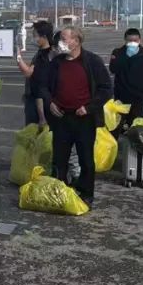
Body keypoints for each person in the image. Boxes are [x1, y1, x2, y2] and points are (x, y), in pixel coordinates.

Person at [42, 26, 112, 207]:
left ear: (76, 41)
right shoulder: (56, 63)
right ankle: (59, 191)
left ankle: (86, 194)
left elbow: (106, 89)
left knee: (86, 159)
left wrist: (89, 108)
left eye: (64, 39)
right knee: (59, 159)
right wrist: (50, 103)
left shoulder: (92, 61)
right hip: (61, 118)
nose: (60, 42)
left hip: (84, 119)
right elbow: (43, 87)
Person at [108, 28, 143, 122]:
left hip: (138, 96)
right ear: (125, 40)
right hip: (121, 96)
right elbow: (113, 69)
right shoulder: (118, 52)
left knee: (137, 122)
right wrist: (126, 57)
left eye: (135, 40)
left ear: (139, 40)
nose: (132, 43)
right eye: (130, 41)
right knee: (118, 123)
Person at [18, 20, 55, 126]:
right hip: (36, 102)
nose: (33, 38)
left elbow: (29, 73)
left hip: (40, 105)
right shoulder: (42, 53)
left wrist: (18, 56)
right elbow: (29, 72)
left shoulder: (45, 56)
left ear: (44, 36)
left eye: (35, 35)